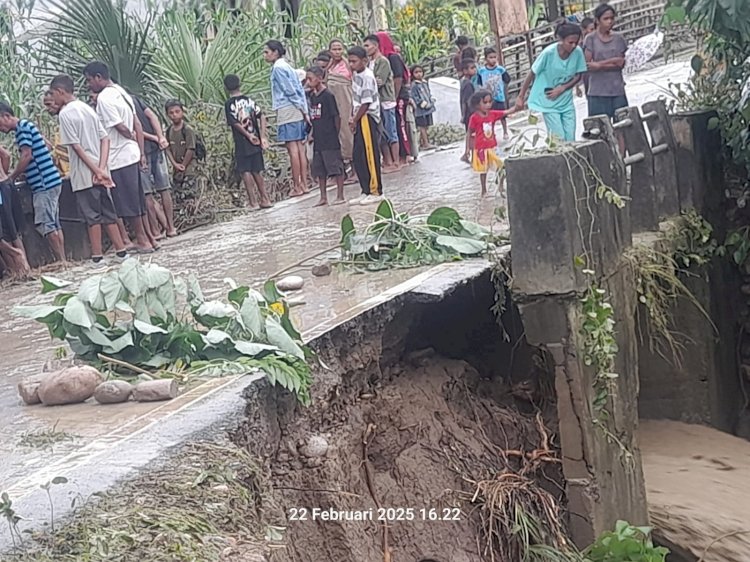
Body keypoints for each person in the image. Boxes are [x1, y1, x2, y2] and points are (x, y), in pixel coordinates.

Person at [50, 74, 129, 266]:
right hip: (101, 171)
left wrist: (95, 170)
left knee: (91, 216)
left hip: (85, 174)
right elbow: (105, 139)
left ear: (61, 92)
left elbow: (76, 147)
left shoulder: (66, 114)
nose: (52, 98)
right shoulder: (87, 108)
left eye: (53, 94)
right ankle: (121, 251)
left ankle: (97, 256)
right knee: (108, 212)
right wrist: (102, 169)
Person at [84, 61, 158, 253]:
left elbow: (121, 127)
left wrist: (130, 137)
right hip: (132, 153)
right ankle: (151, 238)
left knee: (128, 202)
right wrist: (140, 150)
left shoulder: (104, 100)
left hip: (118, 157)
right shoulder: (121, 91)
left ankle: (142, 239)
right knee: (138, 199)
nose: (88, 85)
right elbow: (137, 124)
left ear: (99, 78)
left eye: (89, 80)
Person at [0, 103, 67, 264]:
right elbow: (48, 145)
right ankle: (64, 259)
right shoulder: (27, 125)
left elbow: (26, 155)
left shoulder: (22, 129)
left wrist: (13, 176)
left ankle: (62, 260)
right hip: (50, 180)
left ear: (5, 116)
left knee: (47, 224)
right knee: (54, 222)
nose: (1, 129)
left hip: (44, 184)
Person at [515, 22, 587, 142]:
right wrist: (521, 96)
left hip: (566, 102)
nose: (574, 46)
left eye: (576, 42)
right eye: (570, 42)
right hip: (549, 103)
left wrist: (563, 88)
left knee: (571, 139)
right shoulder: (548, 53)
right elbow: (532, 73)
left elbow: (578, 75)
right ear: (560, 39)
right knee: (558, 139)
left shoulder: (578, 52)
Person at [263, 40, 310, 198]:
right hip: (296, 108)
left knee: (293, 149)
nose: (265, 55)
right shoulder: (287, 66)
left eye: (267, 52)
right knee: (299, 147)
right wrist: (303, 109)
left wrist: (300, 107)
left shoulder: (278, 68)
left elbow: (289, 90)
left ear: (275, 52)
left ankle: (297, 185)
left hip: (287, 108)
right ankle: (304, 182)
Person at [224, 74, 273, 210]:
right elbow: (262, 115)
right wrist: (262, 136)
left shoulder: (229, 104)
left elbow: (234, 123)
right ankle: (265, 199)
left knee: (245, 170)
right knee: (257, 170)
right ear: (240, 84)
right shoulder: (249, 100)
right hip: (256, 140)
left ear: (226, 88)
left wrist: (247, 135)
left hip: (242, 142)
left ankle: (253, 202)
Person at [132, 93, 175, 238]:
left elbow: (134, 131)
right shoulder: (135, 98)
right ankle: (170, 227)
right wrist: (159, 137)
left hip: (142, 151)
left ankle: (156, 231)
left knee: (147, 193)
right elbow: (153, 116)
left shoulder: (119, 103)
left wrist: (156, 138)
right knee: (164, 188)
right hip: (155, 148)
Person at [347, 46, 383, 205]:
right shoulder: (356, 75)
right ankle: (365, 189)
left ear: (364, 61)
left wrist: (355, 119)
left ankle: (376, 190)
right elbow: (355, 99)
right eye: (350, 61)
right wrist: (352, 117)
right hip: (358, 116)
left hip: (367, 117)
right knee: (358, 155)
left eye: (354, 61)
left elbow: (366, 103)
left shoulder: (368, 77)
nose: (351, 64)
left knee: (369, 154)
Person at [306, 67, 345, 207]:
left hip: (330, 138)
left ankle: (340, 195)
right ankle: (323, 197)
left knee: (335, 167)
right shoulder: (312, 96)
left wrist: (335, 133)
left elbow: (336, 116)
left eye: (310, 79)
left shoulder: (328, 96)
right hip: (318, 138)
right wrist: (312, 134)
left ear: (320, 78)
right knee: (319, 169)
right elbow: (314, 118)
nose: (308, 82)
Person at [467, 90, 517, 196]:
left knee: (501, 166)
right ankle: (484, 190)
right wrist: (467, 149)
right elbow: (469, 133)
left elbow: (506, 112)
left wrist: (517, 107)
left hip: (493, 147)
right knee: (483, 171)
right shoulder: (474, 118)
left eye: (490, 102)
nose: (488, 105)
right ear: (477, 104)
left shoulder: (493, 114)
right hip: (480, 148)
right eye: (485, 102)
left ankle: (501, 187)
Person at [584, 4, 628, 119]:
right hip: (597, 91)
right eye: (606, 19)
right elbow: (588, 65)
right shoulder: (590, 39)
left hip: (617, 89)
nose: (609, 21)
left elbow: (621, 63)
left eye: (612, 18)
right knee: (600, 129)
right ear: (597, 20)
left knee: (623, 128)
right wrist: (612, 62)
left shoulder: (619, 39)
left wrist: (599, 65)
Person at [364, 34, 399, 173]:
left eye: (367, 45)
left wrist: (370, 83)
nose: (365, 48)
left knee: (391, 131)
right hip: (375, 103)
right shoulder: (369, 63)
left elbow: (379, 82)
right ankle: (388, 161)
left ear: (376, 45)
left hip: (385, 100)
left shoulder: (382, 61)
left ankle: (396, 162)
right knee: (382, 133)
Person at [376, 31, 412, 165]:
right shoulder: (379, 60)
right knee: (393, 125)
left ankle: (405, 154)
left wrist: (395, 97)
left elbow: (398, 78)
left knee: (400, 124)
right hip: (390, 99)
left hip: (398, 96)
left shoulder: (392, 58)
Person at [326, 39, 355, 182]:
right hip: (334, 107)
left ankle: (355, 170)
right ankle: (342, 171)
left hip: (347, 104)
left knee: (348, 134)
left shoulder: (348, 66)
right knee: (336, 135)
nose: (337, 52)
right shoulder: (329, 68)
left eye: (339, 49)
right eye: (334, 49)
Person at [0, 145, 30, 276]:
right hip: (5, 184)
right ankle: (23, 269)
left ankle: (17, 269)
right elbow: (6, 155)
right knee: (12, 230)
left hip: (2, 187)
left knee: (6, 232)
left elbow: (6, 155)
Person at [164, 100, 198, 196]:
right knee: (177, 195)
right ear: (167, 115)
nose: (174, 115)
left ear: (182, 112)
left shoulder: (187, 129)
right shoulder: (169, 131)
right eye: (171, 113)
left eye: (177, 111)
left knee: (189, 194)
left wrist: (183, 166)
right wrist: (175, 165)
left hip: (190, 168)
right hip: (176, 169)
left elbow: (191, 149)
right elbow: (167, 148)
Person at [478, 47, 511, 140]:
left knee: (502, 116)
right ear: (486, 59)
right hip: (488, 99)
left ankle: (505, 132)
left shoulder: (500, 69)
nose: (493, 59)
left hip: (499, 97)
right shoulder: (482, 71)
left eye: (494, 57)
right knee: (489, 117)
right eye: (490, 57)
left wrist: (501, 87)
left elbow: (507, 79)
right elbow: (479, 83)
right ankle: (491, 133)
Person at [411, 65, 436, 149]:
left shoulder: (425, 83)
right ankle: (426, 143)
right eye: (416, 72)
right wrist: (422, 103)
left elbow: (428, 93)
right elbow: (415, 97)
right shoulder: (414, 85)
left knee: (426, 126)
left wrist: (431, 101)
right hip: (420, 110)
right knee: (422, 126)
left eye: (420, 72)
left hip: (428, 108)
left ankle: (423, 142)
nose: (419, 74)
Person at [460, 59, 479, 162]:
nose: (474, 70)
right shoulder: (468, 84)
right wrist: (475, 112)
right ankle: (470, 153)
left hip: (467, 113)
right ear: (465, 71)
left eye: (474, 67)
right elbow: (467, 101)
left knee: (470, 133)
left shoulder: (464, 82)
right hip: (470, 113)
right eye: (472, 68)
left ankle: (468, 153)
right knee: (472, 134)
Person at [576, 17, 596, 98]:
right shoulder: (579, 47)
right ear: (583, 30)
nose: (594, 32)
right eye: (591, 29)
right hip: (588, 76)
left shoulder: (600, 41)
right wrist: (577, 86)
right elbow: (576, 67)